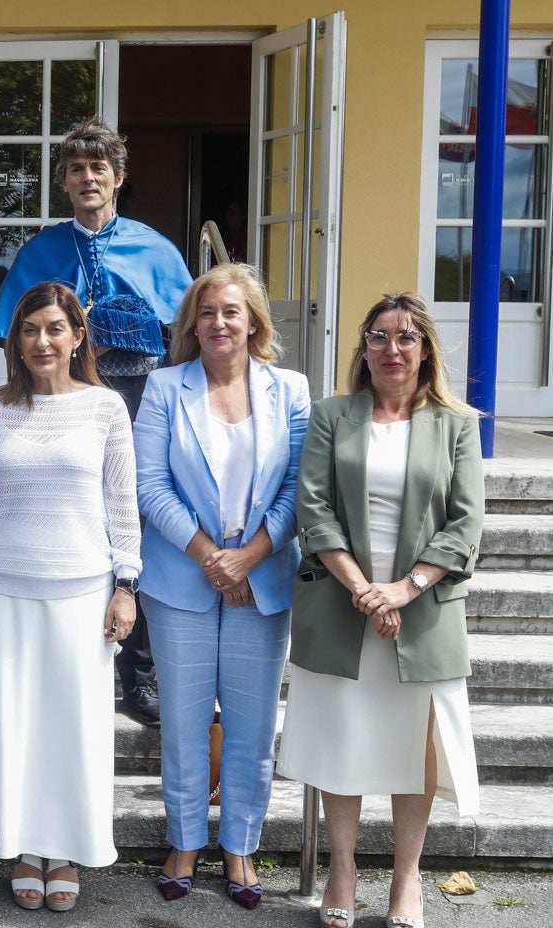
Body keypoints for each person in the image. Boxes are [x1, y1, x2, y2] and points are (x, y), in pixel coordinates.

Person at [277, 293, 483, 928]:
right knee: (345, 741)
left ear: (425, 351)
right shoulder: (332, 415)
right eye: (379, 337)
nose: (392, 350)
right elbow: (312, 508)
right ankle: (342, 874)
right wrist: (367, 589)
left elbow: (465, 522)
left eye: (407, 338)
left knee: (411, 750)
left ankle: (405, 882)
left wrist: (403, 590)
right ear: (362, 348)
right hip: (343, 609)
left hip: (421, 614)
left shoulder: (458, 423)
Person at [0, 282, 140, 912]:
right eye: (30, 330)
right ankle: (27, 847)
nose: (43, 341)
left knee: (71, 729)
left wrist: (126, 585)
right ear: (15, 341)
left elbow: (121, 503)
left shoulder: (106, 408)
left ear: (77, 336)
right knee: (19, 726)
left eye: (56, 329)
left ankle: (68, 850)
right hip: (5, 588)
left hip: (84, 590)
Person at [0, 117, 194, 727]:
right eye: (76, 169)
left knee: (136, 516)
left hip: (135, 396)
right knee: (81, 517)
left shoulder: (155, 247)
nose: (87, 178)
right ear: (64, 181)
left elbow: (180, 335)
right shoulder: (43, 250)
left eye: (98, 168)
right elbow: (15, 334)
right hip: (64, 399)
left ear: (118, 177)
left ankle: (143, 669)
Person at [133, 263, 310, 908]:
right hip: (181, 574)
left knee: (252, 723)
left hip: (260, 581)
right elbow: (149, 484)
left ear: (254, 321)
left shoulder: (289, 389)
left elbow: (298, 488)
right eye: (206, 313)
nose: (218, 323)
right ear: (191, 325)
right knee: (182, 720)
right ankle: (184, 841)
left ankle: (239, 845)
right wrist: (212, 557)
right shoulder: (163, 388)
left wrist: (249, 557)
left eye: (231, 312)